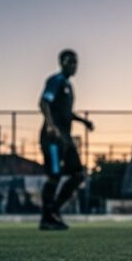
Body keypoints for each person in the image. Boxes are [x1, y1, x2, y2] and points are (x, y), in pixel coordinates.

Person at [38, 49, 95, 230]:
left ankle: (53, 210)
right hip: (52, 138)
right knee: (54, 176)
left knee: (78, 174)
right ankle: (47, 218)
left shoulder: (68, 87)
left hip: (66, 139)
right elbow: (44, 102)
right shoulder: (56, 81)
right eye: (70, 62)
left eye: (76, 62)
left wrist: (83, 121)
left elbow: (66, 113)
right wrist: (50, 125)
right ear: (62, 63)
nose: (74, 66)